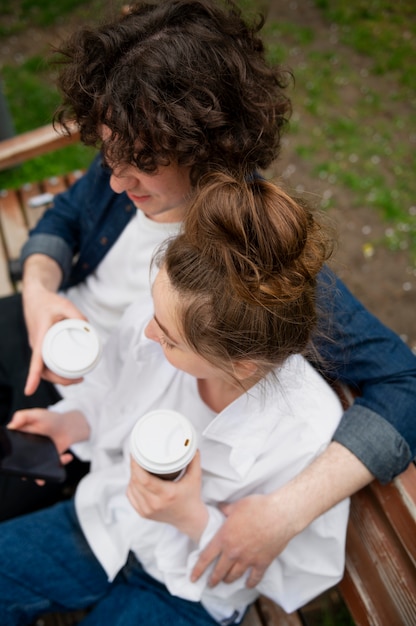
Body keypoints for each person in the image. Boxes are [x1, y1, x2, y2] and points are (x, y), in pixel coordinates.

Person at [0, 0, 414, 583]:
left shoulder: (258, 271)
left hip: (103, 414)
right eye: (109, 156)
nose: (116, 180)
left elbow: (403, 382)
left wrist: (285, 512)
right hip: (49, 333)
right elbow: (62, 220)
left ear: (206, 146)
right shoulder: (133, 152)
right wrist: (41, 291)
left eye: (139, 164)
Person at [0, 173, 350, 625]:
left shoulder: (305, 432)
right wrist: (71, 424)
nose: (149, 332)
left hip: (190, 591)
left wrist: (192, 519)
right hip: (108, 518)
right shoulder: (152, 320)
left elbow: (290, 576)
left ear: (241, 364)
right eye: (156, 315)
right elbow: (109, 392)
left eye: (169, 340)